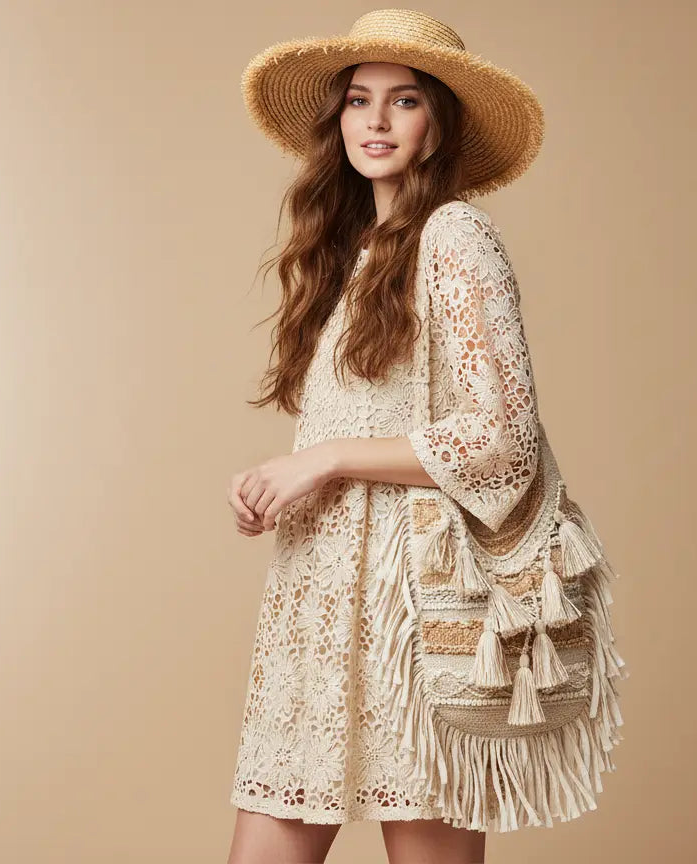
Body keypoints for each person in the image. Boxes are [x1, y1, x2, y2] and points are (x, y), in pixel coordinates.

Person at [225, 10, 562, 864]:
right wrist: (279, 485)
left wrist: (325, 461)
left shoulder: (455, 235)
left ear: (439, 122)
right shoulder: (355, 254)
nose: (375, 121)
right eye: (358, 100)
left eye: (404, 100)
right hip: (319, 608)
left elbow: (505, 443)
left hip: (410, 612)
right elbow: (360, 420)